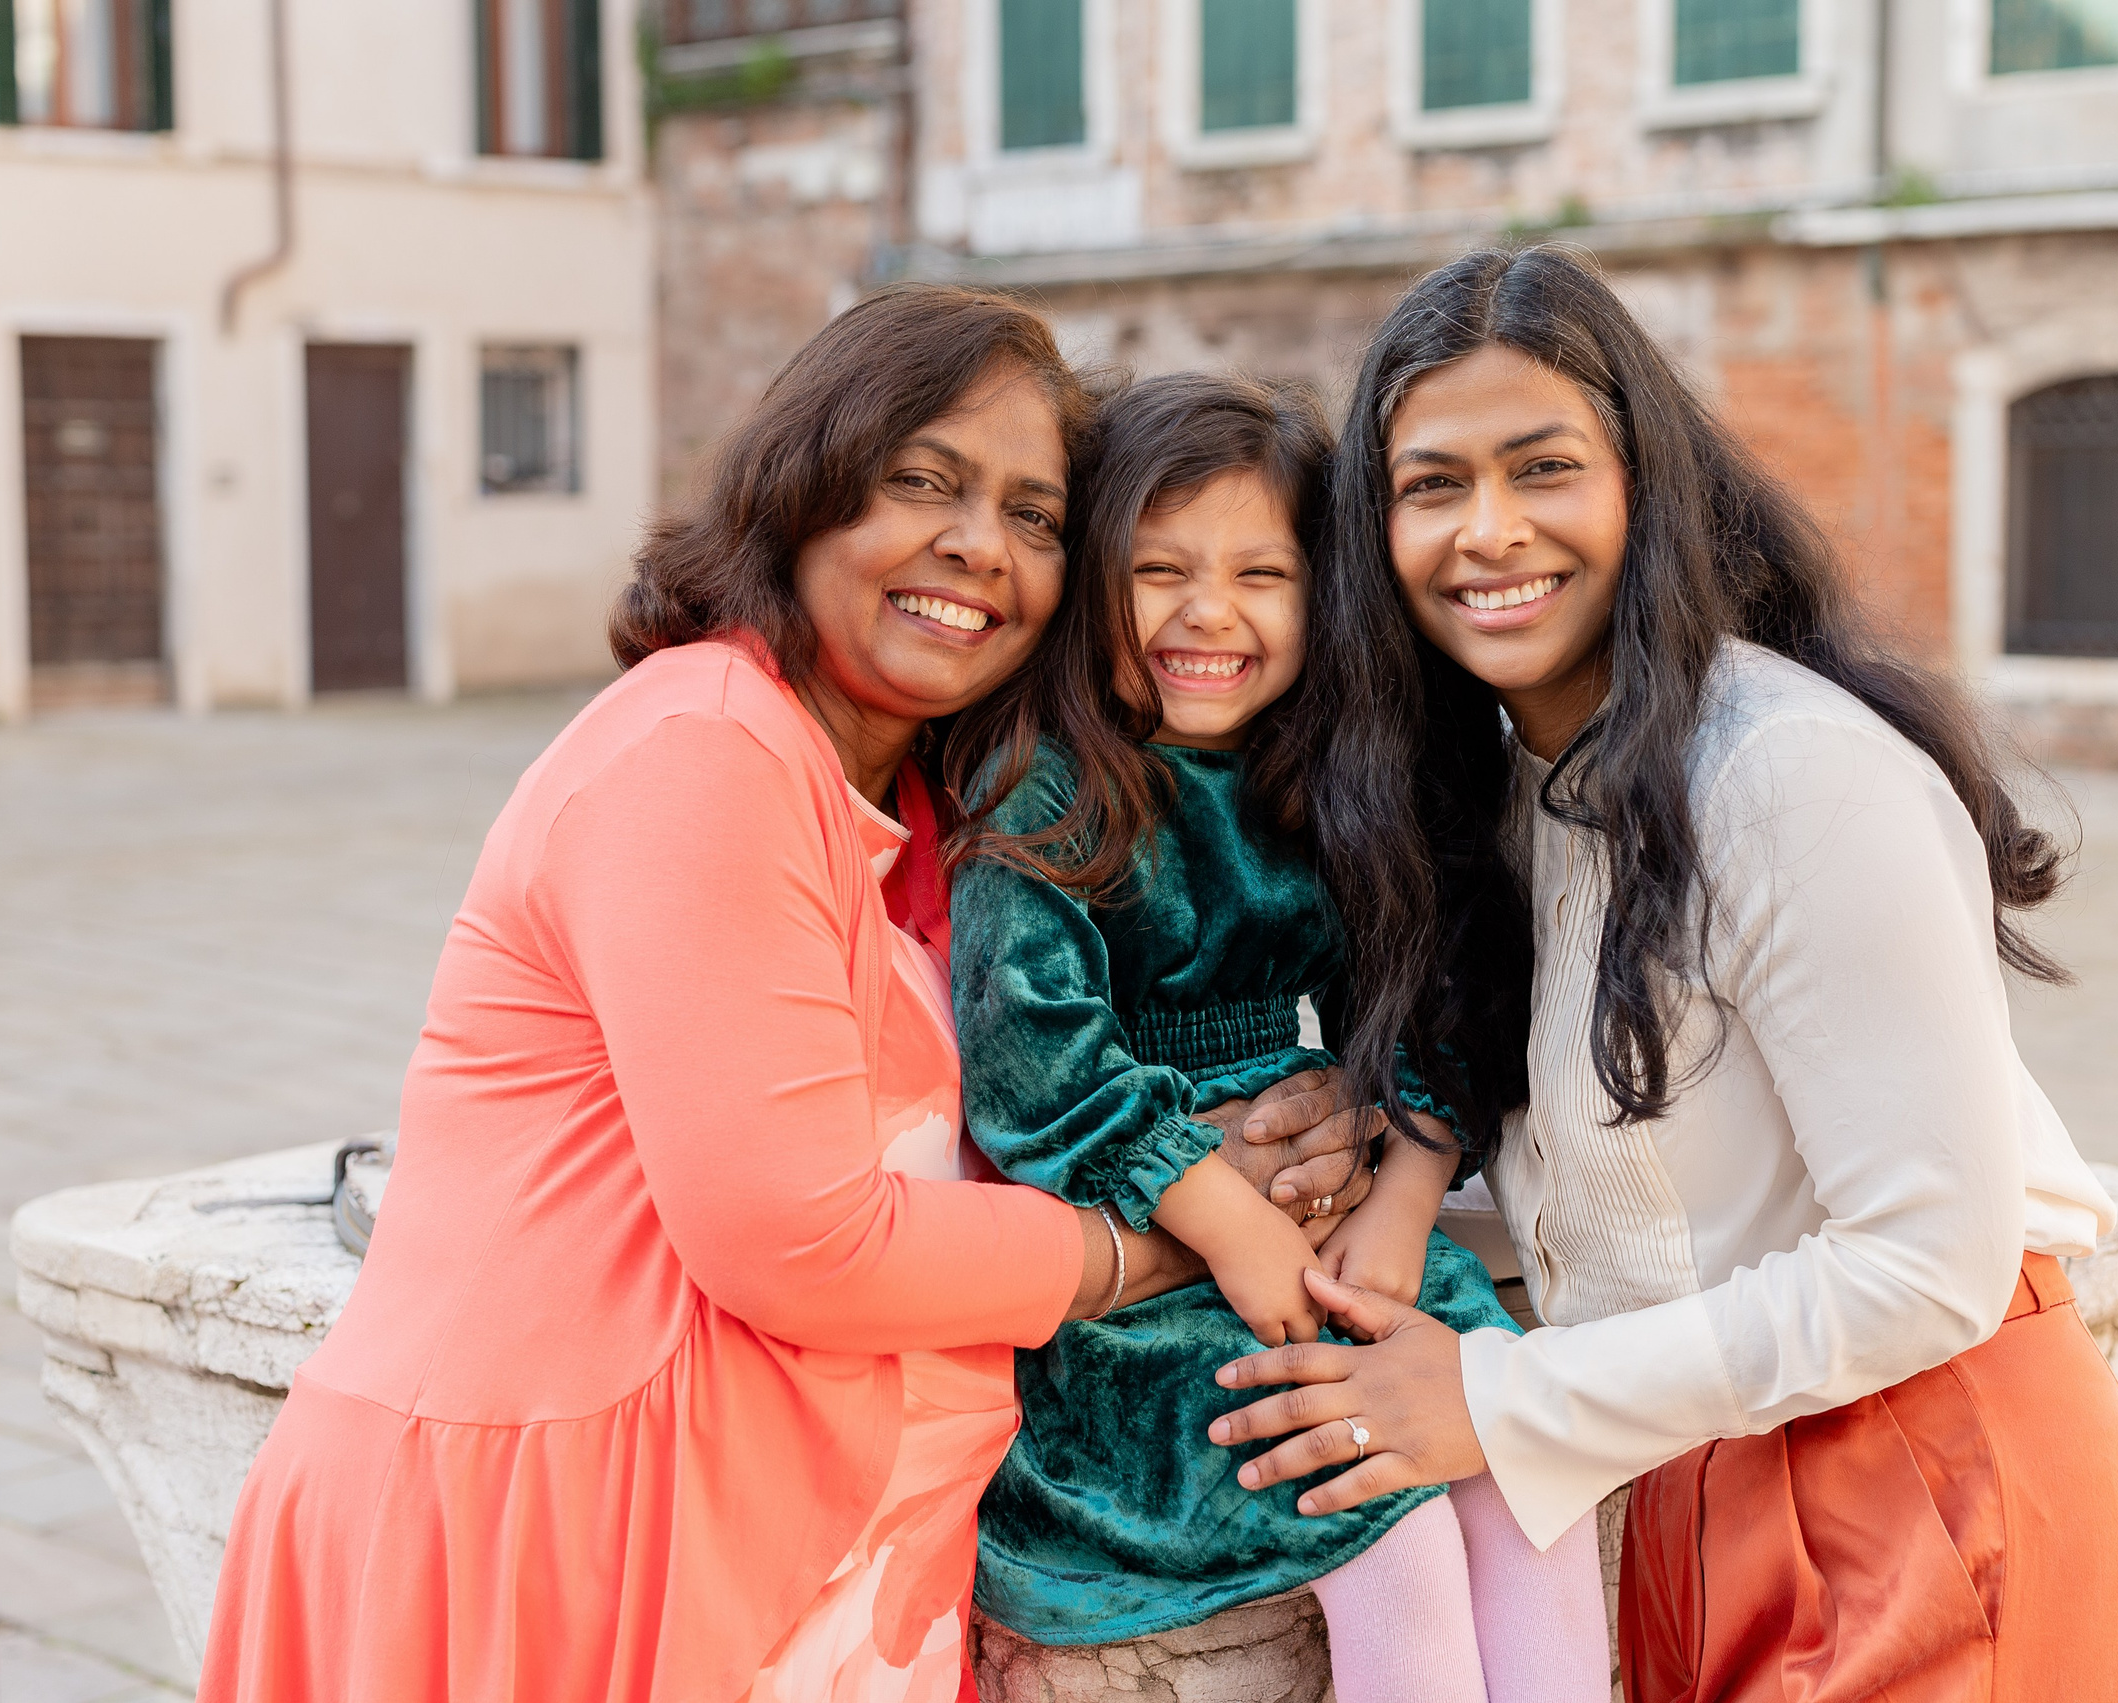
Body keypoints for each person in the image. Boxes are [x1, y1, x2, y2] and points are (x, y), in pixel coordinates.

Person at [193, 286, 1369, 1703]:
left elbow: (1046, 1089)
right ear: (802, 492)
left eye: (1035, 515)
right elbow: (807, 1242)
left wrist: (1307, 1109)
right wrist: (1179, 1233)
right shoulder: (703, 752)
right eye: (922, 481)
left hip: (800, 1558)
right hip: (569, 1547)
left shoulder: (933, 801)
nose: (979, 545)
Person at [1206, 246, 2118, 1701]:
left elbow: (1930, 1262)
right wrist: (1359, 1172)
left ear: (1643, 485)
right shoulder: (1504, 799)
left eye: (1544, 467)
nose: (1488, 530)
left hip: (1924, 1488)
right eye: (1432, 485)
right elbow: (1646, 1218)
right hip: (1692, 1493)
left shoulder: (1788, 771)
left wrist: (1492, 1394)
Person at [944, 373, 1606, 1703]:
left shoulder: (1323, 776)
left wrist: (1404, 1203)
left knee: (1527, 1473)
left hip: (1336, 1232)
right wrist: (1233, 1227)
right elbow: (1037, 1058)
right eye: (1161, 571)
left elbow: (1422, 998)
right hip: (1152, 1269)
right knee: (1386, 1521)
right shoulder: (1046, 784)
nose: (1210, 613)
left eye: (1262, 574)